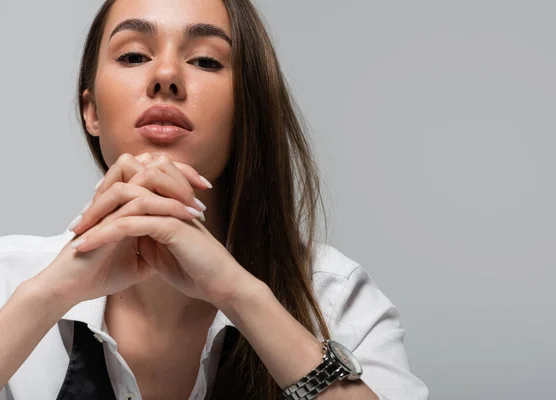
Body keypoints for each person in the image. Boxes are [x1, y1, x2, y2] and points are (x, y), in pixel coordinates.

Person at [0, 0, 429, 399]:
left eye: (206, 60)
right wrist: (48, 296)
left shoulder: (334, 296)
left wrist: (240, 294)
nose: (165, 76)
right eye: (133, 56)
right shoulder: (12, 280)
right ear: (91, 112)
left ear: (247, 108)